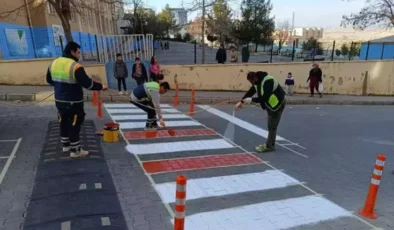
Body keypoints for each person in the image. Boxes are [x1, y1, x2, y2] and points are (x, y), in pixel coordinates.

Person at [46, 41, 107, 158]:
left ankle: (66, 145)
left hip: (59, 100)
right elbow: (88, 84)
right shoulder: (75, 66)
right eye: (78, 52)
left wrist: (60, 86)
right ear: (72, 52)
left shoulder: (53, 63)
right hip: (74, 101)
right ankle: (76, 150)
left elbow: (49, 80)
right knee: (75, 122)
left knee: (63, 120)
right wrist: (101, 87)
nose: (79, 55)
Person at [235, 71, 286, 153]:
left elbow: (265, 97)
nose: (252, 83)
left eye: (251, 82)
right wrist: (241, 102)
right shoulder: (257, 82)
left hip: (278, 103)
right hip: (271, 105)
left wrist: (251, 100)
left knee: (272, 125)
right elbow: (250, 92)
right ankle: (270, 144)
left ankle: (270, 146)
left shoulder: (268, 81)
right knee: (271, 125)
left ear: (255, 78)